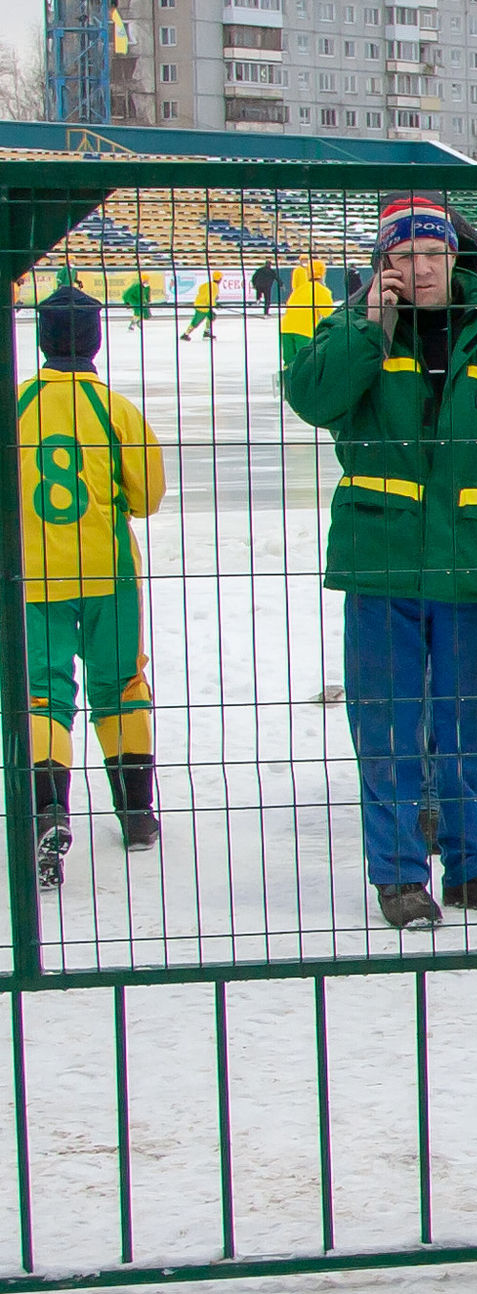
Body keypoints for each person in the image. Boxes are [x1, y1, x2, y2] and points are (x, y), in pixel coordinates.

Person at [284, 195, 477, 931]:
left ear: (456, 258)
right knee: (385, 727)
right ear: (384, 263)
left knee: (464, 725)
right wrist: (369, 327)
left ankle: (475, 868)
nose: (420, 269)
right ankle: (398, 877)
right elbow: (314, 398)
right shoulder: (356, 331)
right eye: (404, 257)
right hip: (381, 563)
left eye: (433, 255)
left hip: (475, 565)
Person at [15, 286, 167, 889]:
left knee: (43, 692)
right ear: (97, 340)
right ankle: (136, 814)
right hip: (108, 573)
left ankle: (49, 805)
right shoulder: (115, 409)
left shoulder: (20, 405)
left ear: (41, 339)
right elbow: (148, 496)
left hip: (33, 576)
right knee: (121, 684)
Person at [277, 258, 334, 373]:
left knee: (289, 363)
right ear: (323, 273)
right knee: (305, 363)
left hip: (286, 329)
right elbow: (330, 315)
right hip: (304, 330)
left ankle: (289, 388)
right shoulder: (321, 290)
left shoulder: (299, 289)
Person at [179, 271, 217, 341]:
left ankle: (206, 332)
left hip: (201, 304)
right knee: (196, 322)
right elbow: (209, 298)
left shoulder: (207, 284)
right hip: (203, 307)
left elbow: (202, 292)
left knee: (211, 316)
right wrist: (215, 304)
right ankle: (185, 334)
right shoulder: (215, 287)